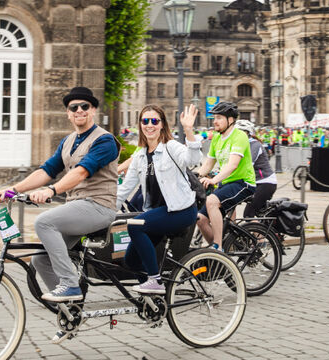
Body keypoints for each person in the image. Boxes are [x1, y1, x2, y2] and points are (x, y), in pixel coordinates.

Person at [3, 87, 118, 302]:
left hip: (99, 206)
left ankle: (69, 284)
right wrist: (12, 190)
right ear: (68, 113)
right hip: (77, 208)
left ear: (93, 110)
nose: (79, 110)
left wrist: (51, 190)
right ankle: (70, 308)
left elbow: (81, 172)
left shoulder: (104, 140)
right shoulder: (67, 141)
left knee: (44, 222)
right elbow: (46, 171)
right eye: (74, 107)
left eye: (85, 106)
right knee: (40, 260)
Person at [116, 104, 201, 293]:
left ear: (162, 124)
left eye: (154, 121)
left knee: (134, 225)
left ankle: (155, 281)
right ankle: (154, 299)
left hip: (181, 210)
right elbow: (124, 190)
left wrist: (188, 130)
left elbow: (193, 160)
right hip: (158, 213)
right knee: (131, 260)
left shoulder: (171, 147)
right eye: (145, 121)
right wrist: (102, 211)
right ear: (140, 125)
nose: (149, 125)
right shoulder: (139, 156)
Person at [195, 101, 255, 249]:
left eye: (219, 118)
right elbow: (208, 164)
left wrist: (213, 180)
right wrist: (193, 176)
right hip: (226, 183)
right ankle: (220, 254)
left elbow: (233, 165)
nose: (214, 121)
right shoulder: (216, 137)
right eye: (214, 118)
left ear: (230, 120)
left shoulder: (239, 136)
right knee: (200, 218)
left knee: (211, 202)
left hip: (243, 183)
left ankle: (218, 247)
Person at [234, 120, 278, 217]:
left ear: (247, 133)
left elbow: (247, 164)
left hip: (265, 182)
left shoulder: (254, 145)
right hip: (253, 182)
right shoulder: (240, 144)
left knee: (248, 215)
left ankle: (256, 232)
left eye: (238, 133)